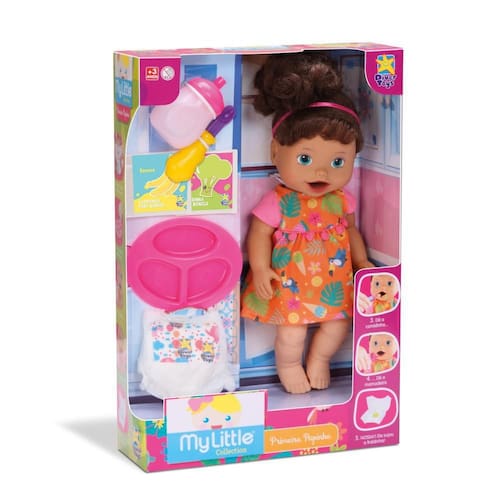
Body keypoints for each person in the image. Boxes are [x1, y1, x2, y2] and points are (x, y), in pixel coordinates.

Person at [241, 52, 373, 393]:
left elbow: (351, 230)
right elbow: (259, 233)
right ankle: (288, 365)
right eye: (305, 158)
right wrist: (260, 268)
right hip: (289, 283)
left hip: (335, 279)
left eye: (338, 161)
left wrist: (361, 262)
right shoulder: (278, 201)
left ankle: (320, 359)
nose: (322, 171)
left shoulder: (342, 200)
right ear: (275, 152)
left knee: (337, 325)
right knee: (291, 332)